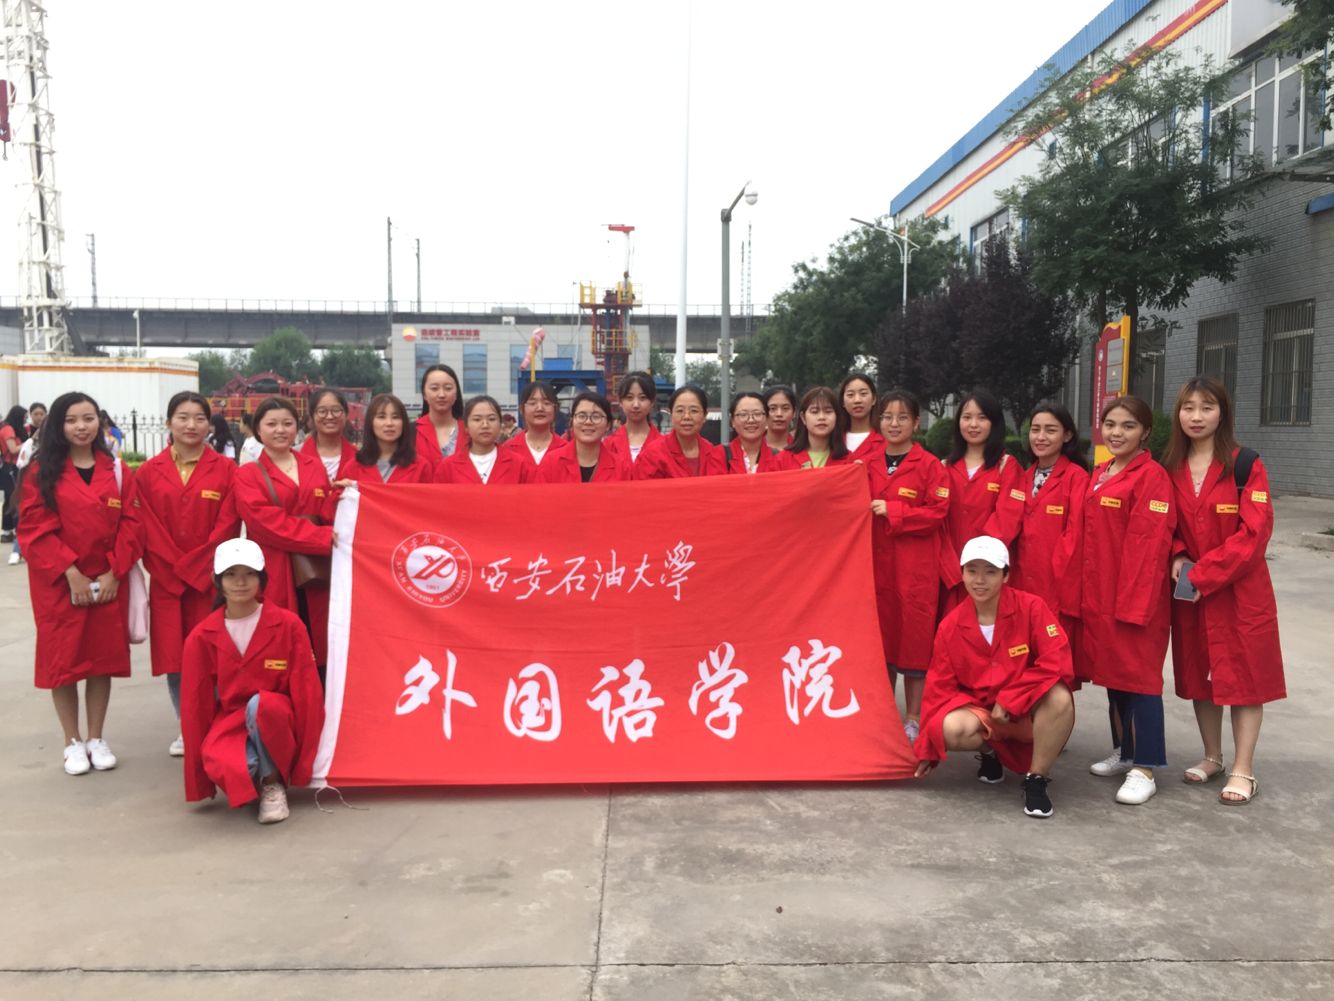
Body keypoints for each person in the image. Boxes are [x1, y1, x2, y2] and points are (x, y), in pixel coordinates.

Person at [1164, 376, 1284, 805]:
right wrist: (1178, 555)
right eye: (1188, 408)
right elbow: (1166, 524)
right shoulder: (1170, 467)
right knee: (1200, 675)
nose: (1196, 416)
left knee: (1245, 677)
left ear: (1222, 413)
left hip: (1239, 591)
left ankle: (1243, 768)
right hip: (1191, 590)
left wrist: (1204, 574)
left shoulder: (1245, 464)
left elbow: (1254, 534)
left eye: (1207, 407)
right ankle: (1212, 756)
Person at [19, 391, 142, 775]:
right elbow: (33, 529)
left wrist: (114, 571)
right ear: (58, 425)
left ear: (99, 423)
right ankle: (72, 741)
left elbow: (133, 524)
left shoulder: (117, 470)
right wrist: (70, 573)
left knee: (101, 660)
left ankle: (96, 737)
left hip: (107, 581)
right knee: (64, 662)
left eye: (88, 419)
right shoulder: (41, 472)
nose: (81, 427)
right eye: (71, 420)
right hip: (58, 583)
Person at [913, 536, 1076, 819]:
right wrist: (929, 748)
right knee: (947, 728)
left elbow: (1057, 661)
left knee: (1060, 697)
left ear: (1006, 575)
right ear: (962, 573)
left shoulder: (1032, 608)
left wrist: (1012, 699)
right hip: (984, 715)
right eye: (972, 570)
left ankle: (1036, 779)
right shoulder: (950, 626)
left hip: (1025, 712)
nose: (980, 580)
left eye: (990, 571)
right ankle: (991, 753)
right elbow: (939, 688)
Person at [180, 538, 324, 824]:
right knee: (232, 764)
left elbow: (308, 692)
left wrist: (307, 761)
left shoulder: (288, 625)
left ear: (262, 579)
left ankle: (271, 783)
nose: (240, 582)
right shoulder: (201, 636)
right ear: (217, 580)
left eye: (249, 574)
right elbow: (195, 705)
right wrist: (199, 779)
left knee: (262, 705)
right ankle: (256, 774)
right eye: (231, 574)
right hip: (231, 719)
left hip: (279, 717)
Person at [1076, 395, 1176, 805]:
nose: (1117, 433)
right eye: (1110, 424)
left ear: (1145, 432)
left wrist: (1133, 606)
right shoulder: (1102, 472)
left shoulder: (1152, 477)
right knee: (1115, 677)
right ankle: (1126, 751)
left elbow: (1148, 547)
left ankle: (1145, 768)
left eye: (1128, 426)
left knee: (1141, 680)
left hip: (1136, 599)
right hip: (1101, 595)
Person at [134, 391, 243, 757]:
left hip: (210, 582)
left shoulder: (227, 471)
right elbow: (146, 527)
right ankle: (188, 727)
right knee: (176, 659)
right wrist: (174, 570)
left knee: (216, 655)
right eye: (182, 417)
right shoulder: (148, 472)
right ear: (169, 422)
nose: (191, 425)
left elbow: (228, 525)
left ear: (209, 425)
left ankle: (219, 724)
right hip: (167, 584)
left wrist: (197, 570)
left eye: (199, 418)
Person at [232, 396, 337, 671]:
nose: (280, 430)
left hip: (318, 571)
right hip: (276, 569)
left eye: (287, 423)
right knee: (280, 650)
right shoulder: (248, 475)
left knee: (322, 648)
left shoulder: (313, 466)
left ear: (297, 427)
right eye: (272, 424)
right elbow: (266, 524)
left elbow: (327, 510)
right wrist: (323, 538)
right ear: (258, 429)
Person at [866, 391, 949, 740]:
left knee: (914, 646)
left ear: (916, 423)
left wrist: (895, 511)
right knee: (881, 644)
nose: (894, 424)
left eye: (902, 417)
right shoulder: (866, 463)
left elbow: (938, 512)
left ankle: (913, 717)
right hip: (875, 567)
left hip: (915, 570)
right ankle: (884, 714)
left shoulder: (929, 466)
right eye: (887, 417)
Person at [1009, 402, 1090, 683]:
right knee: (1022, 663)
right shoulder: (1022, 477)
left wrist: (1057, 582)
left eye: (1050, 430)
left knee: (1054, 668)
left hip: (1055, 588)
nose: (1040, 437)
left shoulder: (1076, 478)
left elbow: (1075, 536)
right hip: (1021, 584)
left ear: (1067, 435)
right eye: (1035, 430)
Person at [938, 390, 1025, 613]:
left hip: (988, 573)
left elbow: (1007, 519)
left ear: (994, 423)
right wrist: (951, 566)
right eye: (966, 417)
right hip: (949, 574)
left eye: (982, 417)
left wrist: (977, 564)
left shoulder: (1007, 466)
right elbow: (936, 521)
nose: (973, 424)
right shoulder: (943, 467)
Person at [334, 393, 435, 486]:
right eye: (381, 417)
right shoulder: (352, 468)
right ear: (370, 423)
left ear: (404, 423)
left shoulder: (421, 467)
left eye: (395, 417)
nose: (389, 423)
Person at [538, 392, 633, 483]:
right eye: (582, 416)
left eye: (596, 416)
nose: (588, 422)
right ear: (572, 422)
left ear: (608, 425)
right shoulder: (551, 463)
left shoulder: (622, 467)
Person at [634, 386, 726, 479]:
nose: (686, 417)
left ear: (704, 416)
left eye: (694, 411)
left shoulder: (713, 453)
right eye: (680, 411)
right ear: (671, 414)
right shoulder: (653, 454)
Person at [437, 396, 530, 485]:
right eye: (477, 419)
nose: (485, 425)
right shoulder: (448, 467)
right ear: (466, 427)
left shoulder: (519, 464)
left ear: (500, 424)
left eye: (491, 419)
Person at [774, 386, 851, 470]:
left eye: (828, 411)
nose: (821, 417)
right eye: (814, 412)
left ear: (837, 416)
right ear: (803, 418)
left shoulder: (849, 461)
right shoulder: (782, 460)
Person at [503, 381, 570, 476]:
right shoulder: (507, 449)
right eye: (532, 403)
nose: (540, 408)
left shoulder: (567, 450)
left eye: (546, 403)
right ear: (522, 409)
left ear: (555, 409)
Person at [9, 402, 45, 564]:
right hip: (29, 479)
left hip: (47, 479)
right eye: (36, 414)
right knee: (26, 514)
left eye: (41, 414)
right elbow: (21, 459)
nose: (39, 417)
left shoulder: (53, 433)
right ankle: (17, 550)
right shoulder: (26, 433)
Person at [415, 363, 468, 464]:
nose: (442, 395)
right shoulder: (410, 432)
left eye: (448, 388)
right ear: (424, 394)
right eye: (434, 388)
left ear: (456, 394)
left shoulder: (470, 431)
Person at [605, 371, 661, 464]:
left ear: (652, 402)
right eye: (629, 398)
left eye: (642, 398)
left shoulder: (665, 446)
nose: (636, 405)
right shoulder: (608, 445)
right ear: (620, 401)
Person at [302, 388, 357, 482]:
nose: (330, 417)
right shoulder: (296, 456)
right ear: (312, 416)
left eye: (336, 410)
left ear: (346, 415)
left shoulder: (359, 458)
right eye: (322, 411)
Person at [722, 392, 783, 474]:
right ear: (732, 421)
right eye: (743, 414)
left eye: (757, 414)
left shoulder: (779, 458)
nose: (751, 420)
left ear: (767, 419)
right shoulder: (719, 455)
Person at [839, 373, 885, 465]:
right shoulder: (833, 441)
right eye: (850, 395)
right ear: (842, 402)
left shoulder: (886, 440)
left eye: (863, 394)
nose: (857, 400)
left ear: (874, 399)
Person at [1, 405, 26, 544]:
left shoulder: (7, 428)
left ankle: (7, 531)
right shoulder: (8, 429)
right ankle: (16, 530)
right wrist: (28, 443)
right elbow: (13, 449)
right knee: (15, 499)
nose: (25, 420)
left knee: (9, 499)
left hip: (11, 467)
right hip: (11, 467)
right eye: (24, 417)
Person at [763, 386, 797, 451]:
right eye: (773, 408)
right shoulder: (749, 447)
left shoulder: (802, 449)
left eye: (785, 408)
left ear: (794, 412)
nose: (779, 414)